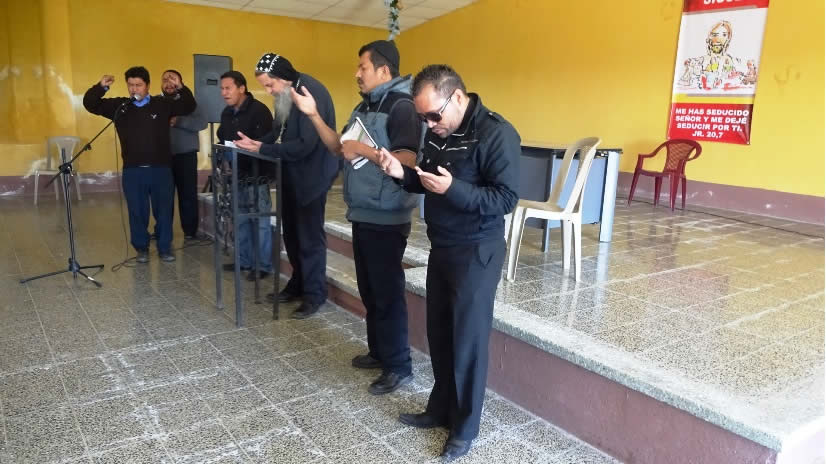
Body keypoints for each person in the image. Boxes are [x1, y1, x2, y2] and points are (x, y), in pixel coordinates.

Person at [378, 64, 520, 461]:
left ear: (457, 97)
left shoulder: (496, 133)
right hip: (441, 245)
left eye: (432, 115)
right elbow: (427, 179)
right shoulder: (439, 129)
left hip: (476, 250)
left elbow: (506, 199)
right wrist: (401, 173)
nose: (428, 124)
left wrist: (454, 189)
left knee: (467, 341)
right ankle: (440, 409)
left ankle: (465, 427)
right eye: (422, 118)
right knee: (440, 334)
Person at [291, 40, 422, 395]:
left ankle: (399, 366)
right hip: (364, 211)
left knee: (387, 291)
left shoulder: (402, 107)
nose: (357, 74)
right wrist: (313, 114)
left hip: (388, 216)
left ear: (383, 70)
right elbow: (339, 147)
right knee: (370, 289)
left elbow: (407, 162)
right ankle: (379, 352)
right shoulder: (365, 107)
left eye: (362, 67)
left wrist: (363, 148)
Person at [235, 53, 338, 319]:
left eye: (270, 85)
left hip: (312, 177)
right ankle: (297, 284)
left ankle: (315, 294)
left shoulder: (310, 92)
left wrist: (264, 149)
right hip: (290, 174)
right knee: (291, 234)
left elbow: (305, 145)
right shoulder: (285, 94)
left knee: (309, 239)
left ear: (283, 78)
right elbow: (277, 133)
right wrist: (256, 143)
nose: (268, 91)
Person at [83, 66, 196, 263]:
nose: (134, 89)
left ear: (148, 85)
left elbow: (188, 106)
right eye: (131, 85)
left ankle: (164, 248)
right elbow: (90, 104)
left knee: (163, 211)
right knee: (137, 212)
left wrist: (180, 86)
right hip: (133, 170)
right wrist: (101, 87)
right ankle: (141, 248)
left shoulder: (162, 104)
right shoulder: (121, 107)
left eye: (139, 85)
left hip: (161, 169)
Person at [216, 70, 276, 281]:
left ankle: (263, 265)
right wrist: (224, 160)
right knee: (240, 220)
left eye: (228, 88)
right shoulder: (226, 113)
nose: (224, 93)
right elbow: (223, 138)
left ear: (241, 88)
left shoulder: (259, 111)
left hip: (257, 176)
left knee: (260, 221)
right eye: (222, 89)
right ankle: (244, 261)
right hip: (236, 175)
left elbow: (267, 143)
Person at [158, 69, 207, 241]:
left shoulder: (190, 102)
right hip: (162, 157)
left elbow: (201, 123)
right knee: (163, 196)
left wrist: (179, 121)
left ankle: (190, 231)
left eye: (173, 79)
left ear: (180, 82)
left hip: (186, 155)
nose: (168, 83)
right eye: (165, 79)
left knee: (187, 195)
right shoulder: (157, 103)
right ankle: (162, 230)